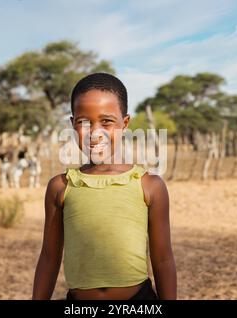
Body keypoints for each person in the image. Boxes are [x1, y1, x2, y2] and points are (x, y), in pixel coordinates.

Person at [32, 73, 177, 300]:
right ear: (72, 125)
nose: (95, 132)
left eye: (106, 122)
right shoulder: (61, 187)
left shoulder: (149, 186)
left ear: (125, 124)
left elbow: (163, 259)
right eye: (83, 122)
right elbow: (49, 258)